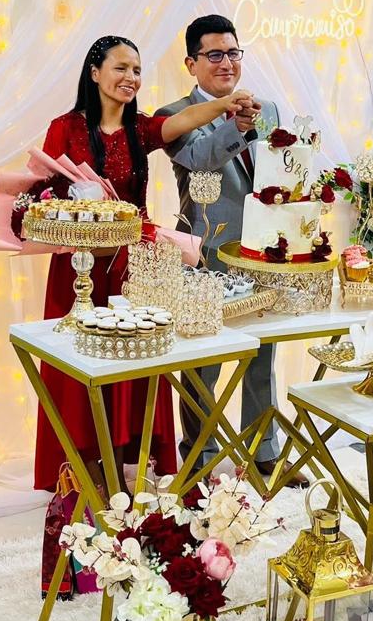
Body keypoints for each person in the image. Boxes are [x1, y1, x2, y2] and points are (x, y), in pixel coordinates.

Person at [34, 34, 256, 492]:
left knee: (133, 362)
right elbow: (44, 192)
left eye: (136, 70)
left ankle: (123, 462)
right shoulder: (64, 128)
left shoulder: (140, 129)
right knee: (77, 365)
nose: (130, 78)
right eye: (120, 68)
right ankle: (81, 465)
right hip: (78, 268)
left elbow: (182, 120)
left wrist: (224, 104)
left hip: (133, 268)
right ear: (94, 72)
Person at [156, 13, 295, 484]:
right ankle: (201, 460)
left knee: (263, 355)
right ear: (191, 63)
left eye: (233, 53)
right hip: (208, 252)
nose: (226, 63)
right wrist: (234, 120)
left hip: (264, 250)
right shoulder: (172, 115)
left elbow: (280, 170)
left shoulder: (267, 108)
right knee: (204, 365)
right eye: (214, 54)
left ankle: (263, 451)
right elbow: (201, 159)